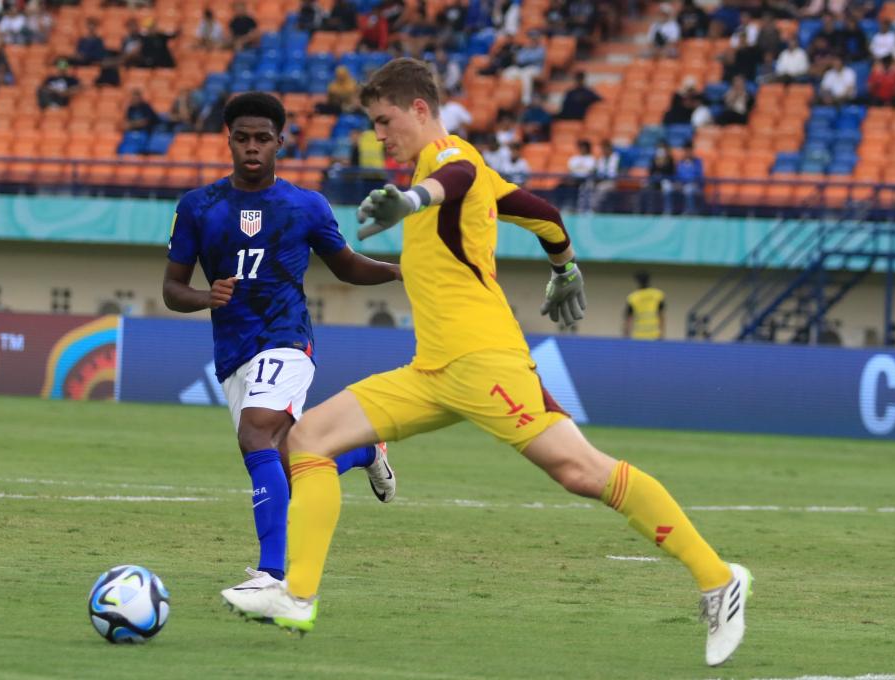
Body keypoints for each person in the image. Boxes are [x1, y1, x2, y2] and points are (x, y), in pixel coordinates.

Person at [220, 58, 752, 669]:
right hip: (432, 371)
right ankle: (298, 595)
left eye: (386, 121)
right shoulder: (445, 168)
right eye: (374, 124)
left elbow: (458, 179)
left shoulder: (451, 158)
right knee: (308, 438)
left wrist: (413, 201)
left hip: (485, 364)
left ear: (420, 109)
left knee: (581, 472)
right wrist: (565, 268)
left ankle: (718, 580)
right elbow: (545, 215)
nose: (381, 135)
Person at [163, 92, 401, 595]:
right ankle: (361, 453)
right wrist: (207, 296)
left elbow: (347, 265)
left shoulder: (305, 205)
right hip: (233, 352)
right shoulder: (198, 207)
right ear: (228, 140)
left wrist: (404, 272)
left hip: (287, 338)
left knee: (255, 436)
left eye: (263, 139)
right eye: (243, 138)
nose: (253, 147)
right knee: (289, 466)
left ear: (280, 143)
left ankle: (272, 575)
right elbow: (172, 290)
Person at [624, 271, 665, 340]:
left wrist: (626, 335)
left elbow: (628, 319)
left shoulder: (632, 297)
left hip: (638, 336)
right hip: (654, 335)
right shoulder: (658, 295)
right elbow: (661, 316)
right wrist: (662, 333)